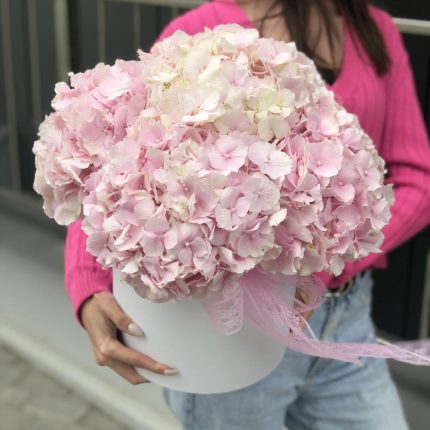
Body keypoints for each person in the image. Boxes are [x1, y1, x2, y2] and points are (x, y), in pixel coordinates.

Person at [65, 0, 430, 428]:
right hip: (228, 335)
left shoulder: (373, 29)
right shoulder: (202, 29)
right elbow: (118, 160)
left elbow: (419, 179)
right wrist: (86, 284)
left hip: (345, 317)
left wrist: (322, 263)